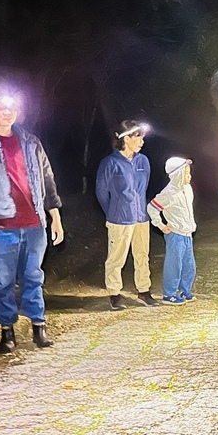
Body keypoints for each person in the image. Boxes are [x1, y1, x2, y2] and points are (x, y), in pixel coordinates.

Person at [0, 86, 64, 352]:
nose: (6, 112)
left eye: (11, 108)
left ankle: (38, 326)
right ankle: (7, 331)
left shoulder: (31, 141)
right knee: (4, 282)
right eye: (0, 107)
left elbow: (47, 178)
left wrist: (54, 215)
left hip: (34, 224)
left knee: (33, 276)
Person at [95, 120, 158, 310]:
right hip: (119, 219)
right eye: (137, 137)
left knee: (142, 255)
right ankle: (114, 293)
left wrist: (139, 209)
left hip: (141, 217)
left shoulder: (143, 161)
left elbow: (143, 187)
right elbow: (101, 192)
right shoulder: (110, 163)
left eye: (142, 137)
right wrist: (114, 211)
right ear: (126, 138)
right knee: (116, 257)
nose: (141, 141)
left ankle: (143, 291)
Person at [148, 157, 197, 305]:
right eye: (186, 173)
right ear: (177, 174)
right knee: (174, 265)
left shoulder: (187, 189)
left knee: (189, 265)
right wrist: (161, 225)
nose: (189, 176)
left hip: (187, 234)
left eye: (189, 173)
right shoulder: (168, 193)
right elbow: (152, 208)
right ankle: (169, 294)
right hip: (175, 234)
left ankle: (184, 290)